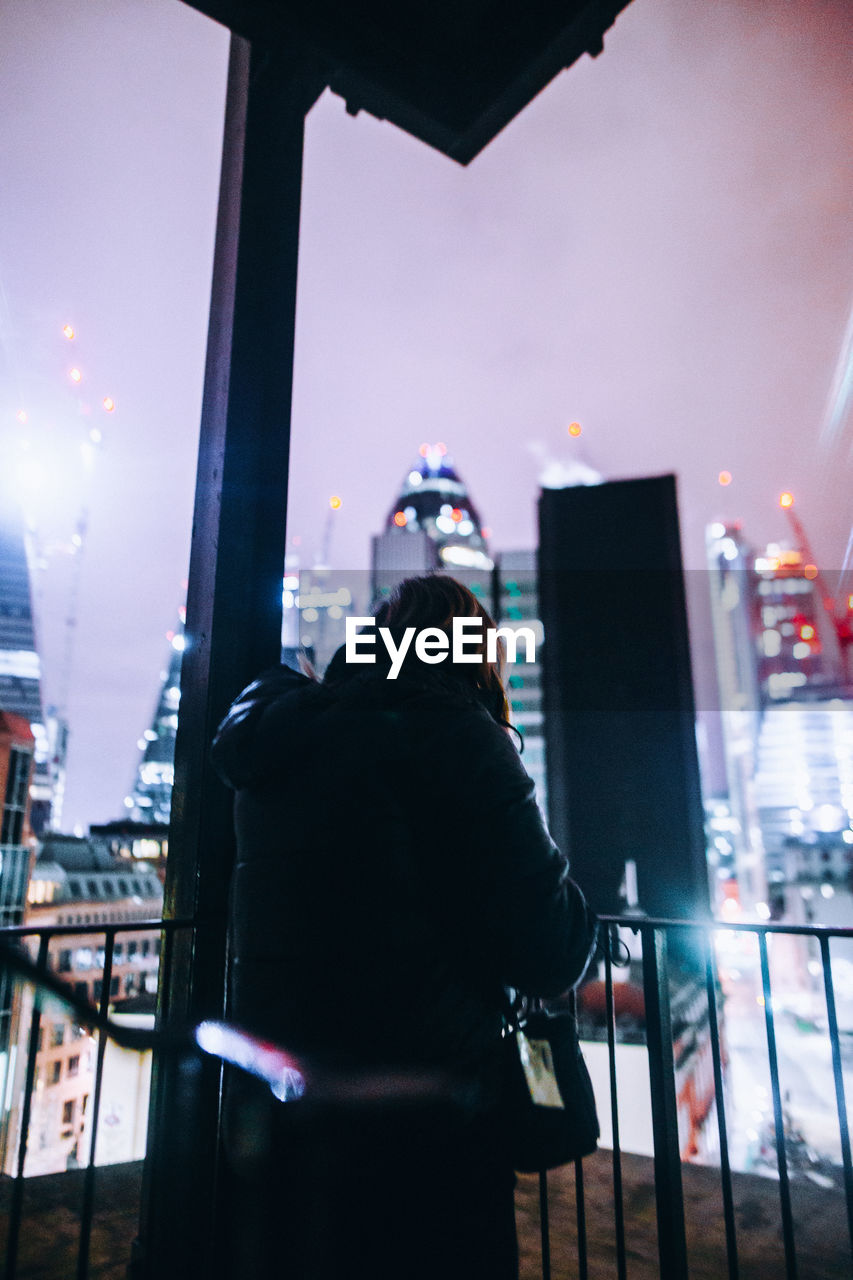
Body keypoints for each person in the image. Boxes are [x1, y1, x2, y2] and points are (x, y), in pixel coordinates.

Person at [211, 574, 597, 1279]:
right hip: (425, 1120)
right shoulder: (459, 736)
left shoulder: (273, 744)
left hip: (282, 1114)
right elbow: (551, 951)